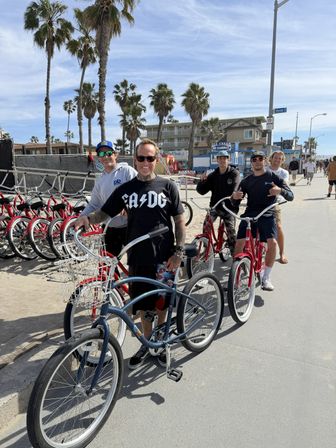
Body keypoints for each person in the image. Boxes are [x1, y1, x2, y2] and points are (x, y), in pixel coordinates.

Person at [75, 138, 186, 370]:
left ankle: (160, 342)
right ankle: (148, 343)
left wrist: (179, 251)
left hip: (164, 256)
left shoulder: (168, 186)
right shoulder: (125, 190)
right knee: (144, 304)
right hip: (136, 256)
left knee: (161, 302)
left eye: (150, 158)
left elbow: (179, 221)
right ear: (135, 159)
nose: (146, 162)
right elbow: (103, 213)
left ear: (157, 160)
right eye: (141, 158)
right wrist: (87, 218)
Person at [231, 151, 294, 291]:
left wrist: (280, 191)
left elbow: (291, 196)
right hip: (250, 214)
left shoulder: (273, 177)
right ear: (251, 162)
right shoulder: (246, 180)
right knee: (239, 243)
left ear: (265, 161)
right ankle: (236, 276)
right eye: (254, 159)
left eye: (260, 158)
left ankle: (266, 277)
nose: (257, 161)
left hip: (267, 214)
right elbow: (234, 204)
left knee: (272, 243)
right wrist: (234, 197)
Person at [80, 140, 137, 256]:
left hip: (130, 227)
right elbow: (93, 204)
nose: (105, 156)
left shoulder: (127, 171)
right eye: (101, 154)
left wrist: (128, 206)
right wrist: (81, 217)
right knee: (107, 265)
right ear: (99, 158)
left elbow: (140, 190)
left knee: (136, 263)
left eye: (108, 153)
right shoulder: (100, 181)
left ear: (115, 155)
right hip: (109, 228)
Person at [196, 150, 240, 254]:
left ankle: (235, 256)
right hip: (215, 207)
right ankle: (207, 249)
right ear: (217, 160)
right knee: (206, 226)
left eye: (224, 158)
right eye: (220, 158)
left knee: (231, 232)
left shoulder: (234, 173)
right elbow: (202, 191)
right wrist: (202, 181)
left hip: (229, 208)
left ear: (228, 159)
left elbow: (236, 186)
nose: (222, 160)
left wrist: (234, 194)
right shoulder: (213, 175)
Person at [269, 150, 289, 264]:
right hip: (261, 201)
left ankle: (281, 253)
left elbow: (282, 187)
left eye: (280, 158)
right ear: (271, 158)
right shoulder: (265, 169)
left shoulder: (284, 173)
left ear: (282, 161)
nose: (277, 160)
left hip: (275, 203)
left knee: (278, 226)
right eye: (275, 157)